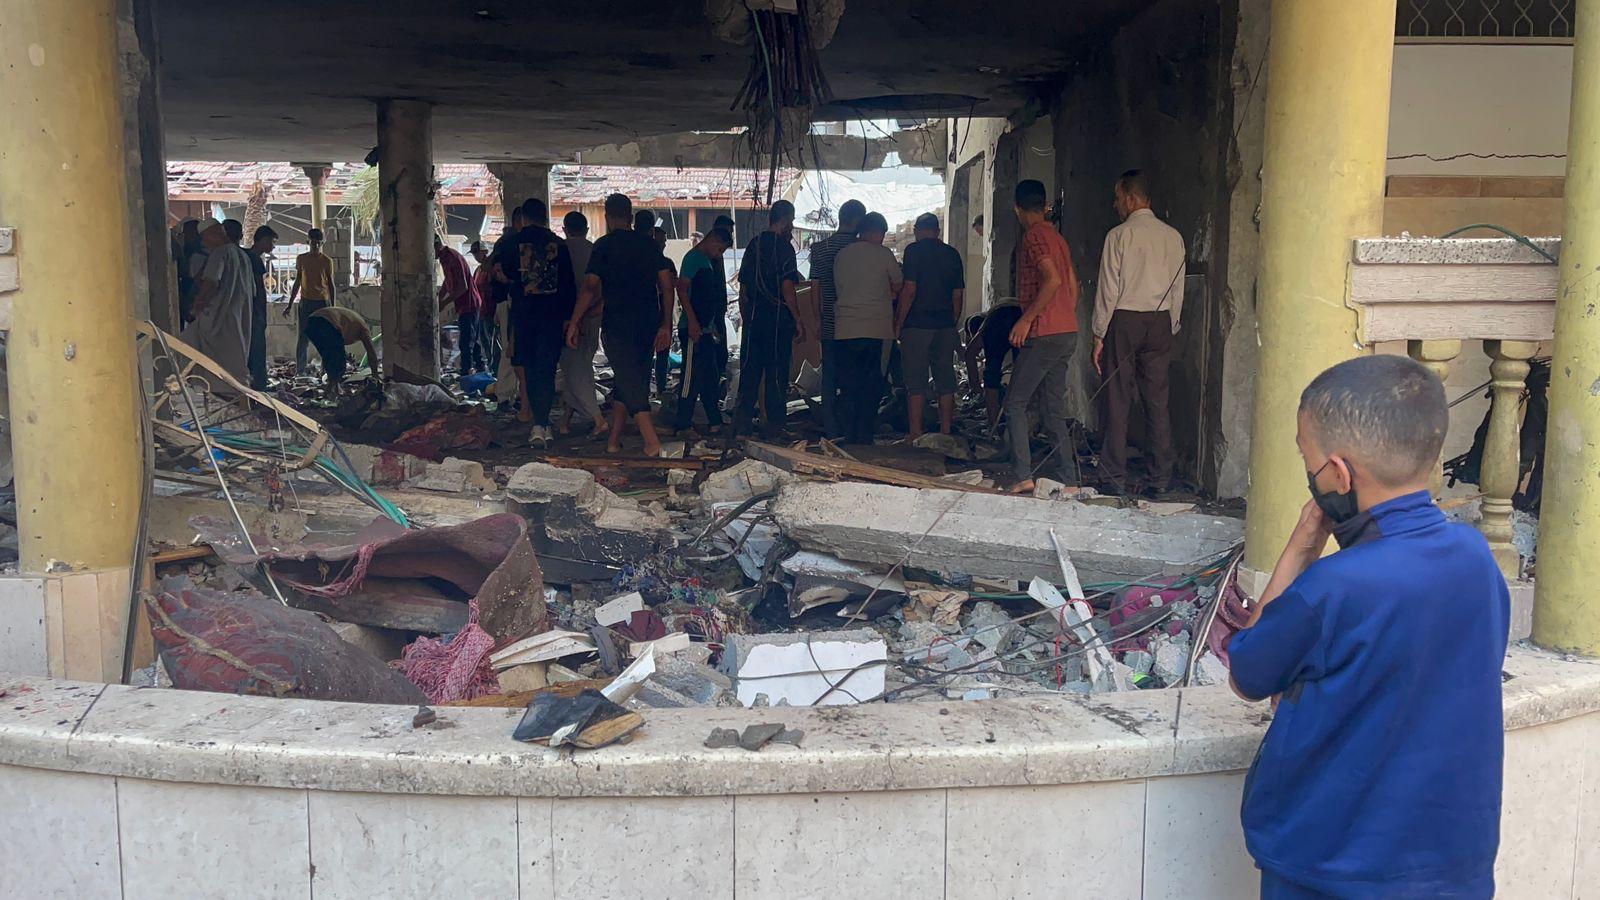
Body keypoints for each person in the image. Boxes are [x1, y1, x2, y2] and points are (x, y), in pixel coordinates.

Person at [1228, 354, 1508, 899]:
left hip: (1330, 868)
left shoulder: (1333, 587)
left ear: (1338, 473)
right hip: (1454, 866)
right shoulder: (1476, 558)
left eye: (1307, 458)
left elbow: (1247, 673)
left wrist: (1302, 545)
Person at [1094, 169, 1185, 495]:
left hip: (1124, 319)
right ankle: (1160, 478)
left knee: (1117, 398)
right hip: (1160, 321)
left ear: (1132, 198)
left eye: (1119, 198)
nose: (1116, 204)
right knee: (1157, 401)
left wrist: (1099, 333)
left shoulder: (1118, 236)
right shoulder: (1173, 237)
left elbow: (1108, 289)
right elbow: (1178, 288)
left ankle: (1113, 476)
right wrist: (1172, 324)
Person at [567, 193, 674, 456]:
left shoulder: (604, 246)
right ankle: (613, 441)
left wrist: (574, 321)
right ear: (630, 216)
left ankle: (651, 442)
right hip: (647, 321)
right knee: (630, 380)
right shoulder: (649, 244)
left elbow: (590, 287)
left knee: (629, 380)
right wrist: (666, 324)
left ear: (607, 216)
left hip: (617, 323)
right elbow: (667, 285)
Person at [1004, 179, 1081, 494]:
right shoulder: (1057, 237)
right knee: (1053, 410)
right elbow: (1072, 287)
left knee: (1015, 403)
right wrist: (1062, 315)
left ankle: (1023, 475)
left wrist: (1027, 320)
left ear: (1017, 209)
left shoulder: (1034, 236)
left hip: (1044, 332)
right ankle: (1069, 480)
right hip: (1066, 331)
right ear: (1045, 206)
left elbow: (1052, 280)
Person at [496, 198, 576, 447]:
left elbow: (502, 274)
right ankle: (543, 422)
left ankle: (538, 424)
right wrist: (569, 319)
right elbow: (569, 286)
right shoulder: (559, 245)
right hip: (552, 317)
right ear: (545, 217)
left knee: (529, 370)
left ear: (524, 218)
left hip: (524, 317)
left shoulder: (512, 243)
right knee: (547, 370)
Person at [733, 200, 805, 439]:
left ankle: (742, 425)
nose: (791, 226)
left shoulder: (754, 245)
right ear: (784, 220)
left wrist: (746, 318)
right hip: (777, 320)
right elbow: (787, 287)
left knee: (750, 372)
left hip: (754, 318)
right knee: (776, 373)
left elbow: (743, 289)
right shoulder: (784, 248)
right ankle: (775, 426)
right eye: (791, 221)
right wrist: (797, 318)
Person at [830, 212, 902, 445]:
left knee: (849, 385)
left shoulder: (842, 255)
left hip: (845, 327)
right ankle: (865, 433)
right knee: (872, 384)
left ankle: (849, 433)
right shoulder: (884, 254)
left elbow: (839, 287)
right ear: (876, 232)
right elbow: (898, 285)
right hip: (876, 328)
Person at [896, 213, 965, 439]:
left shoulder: (913, 251)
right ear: (937, 231)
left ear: (917, 230)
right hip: (944, 324)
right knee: (945, 379)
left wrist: (899, 322)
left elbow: (910, 289)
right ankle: (945, 430)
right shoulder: (952, 254)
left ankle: (916, 432)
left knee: (916, 381)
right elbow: (957, 295)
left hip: (917, 324)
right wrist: (952, 322)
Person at [808, 199, 865, 439]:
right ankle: (853, 430)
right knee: (855, 378)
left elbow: (815, 288)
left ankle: (832, 429)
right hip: (857, 323)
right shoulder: (862, 249)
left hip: (830, 321)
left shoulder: (820, 249)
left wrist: (816, 318)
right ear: (858, 220)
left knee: (829, 378)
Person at [674, 227, 734, 435]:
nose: (719, 254)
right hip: (693, 329)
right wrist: (692, 322)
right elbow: (682, 290)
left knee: (710, 377)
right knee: (690, 378)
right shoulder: (692, 259)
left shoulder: (706, 261)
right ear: (713, 239)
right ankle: (682, 424)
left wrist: (711, 326)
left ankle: (715, 421)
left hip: (706, 329)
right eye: (720, 249)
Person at [557, 211, 605, 436]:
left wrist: (575, 319)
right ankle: (565, 421)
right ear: (586, 230)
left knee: (575, 370)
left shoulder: (559, 250)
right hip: (592, 316)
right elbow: (601, 289)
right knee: (577, 367)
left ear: (564, 229)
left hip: (567, 318)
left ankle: (598, 419)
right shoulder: (594, 251)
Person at [190, 221, 255, 385]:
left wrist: (198, 304)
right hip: (238, 315)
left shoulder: (219, 253)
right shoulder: (242, 255)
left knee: (198, 352)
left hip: (219, 317)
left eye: (205, 238)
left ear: (213, 235)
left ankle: (220, 389)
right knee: (235, 356)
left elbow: (211, 282)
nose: (205, 243)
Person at [960, 302, 1022, 432]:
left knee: (991, 377)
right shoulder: (987, 317)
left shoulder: (979, 322)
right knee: (1024, 373)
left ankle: (993, 426)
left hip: (1001, 320)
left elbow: (969, 354)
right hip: (1022, 318)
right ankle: (1028, 423)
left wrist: (976, 387)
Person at [286, 228, 336, 373]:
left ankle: (326, 370)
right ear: (308, 242)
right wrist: (290, 304)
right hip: (306, 302)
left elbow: (331, 284)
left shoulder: (327, 261)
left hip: (322, 303)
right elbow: (297, 281)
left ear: (322, 243)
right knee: (303, 338)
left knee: (324, 338)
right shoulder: (301, 259)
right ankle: (300, 371)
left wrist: (333, 307)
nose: (316, 245)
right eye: (313, 242)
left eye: (318, 243)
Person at [435, 236, 483, 378]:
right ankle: (480, 371)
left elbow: (462, 287)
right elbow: (448, 281)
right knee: (473, 342)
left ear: (436, 246)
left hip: (469, 304)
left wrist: (444, 302)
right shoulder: (445, 258)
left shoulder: (452, 258)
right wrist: (439, 297)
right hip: (464, 306)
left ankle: (466, 374)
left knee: (466, 343)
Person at [303, 305, 381, 389]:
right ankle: (330, 390)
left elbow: (328, 352)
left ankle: (333, 388)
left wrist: (324, 370)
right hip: (328, 322)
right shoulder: (363, 329)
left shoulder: (351, 324)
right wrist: (375, 375)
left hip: (310, 324)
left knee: (330, 357)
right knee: (340, 368)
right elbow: (371, 351)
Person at [244, 225, 279, 391]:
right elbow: (259, 290)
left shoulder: (246, 256)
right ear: (263, 240)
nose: (273, 246)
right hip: (255, 311)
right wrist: (262, 313)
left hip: (246, 310)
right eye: (272, 242)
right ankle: (259, 385)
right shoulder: (255, 259)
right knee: (257, 348)